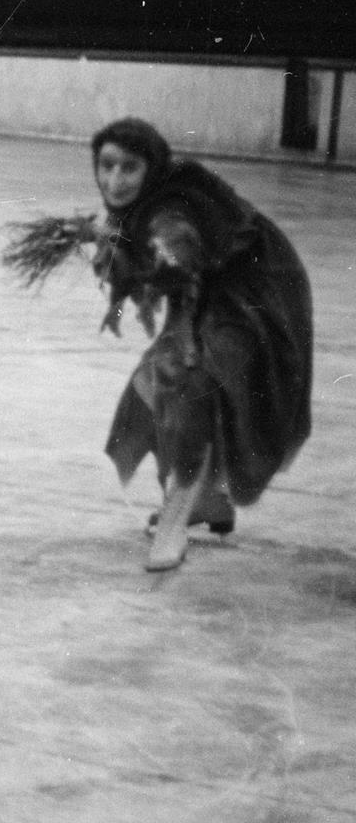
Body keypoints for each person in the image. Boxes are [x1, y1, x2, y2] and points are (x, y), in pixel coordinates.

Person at [86, 117, 312, 571]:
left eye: (129, 168)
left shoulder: (172, 211)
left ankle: (176, 517)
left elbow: (174, 261)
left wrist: (121, 250)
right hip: (213, 291)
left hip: (256, 297)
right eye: (107, 166)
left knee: (188, 382)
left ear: (151, 169)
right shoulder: (147, 202)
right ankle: (206, 502)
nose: (115, 180)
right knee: (154, 384)